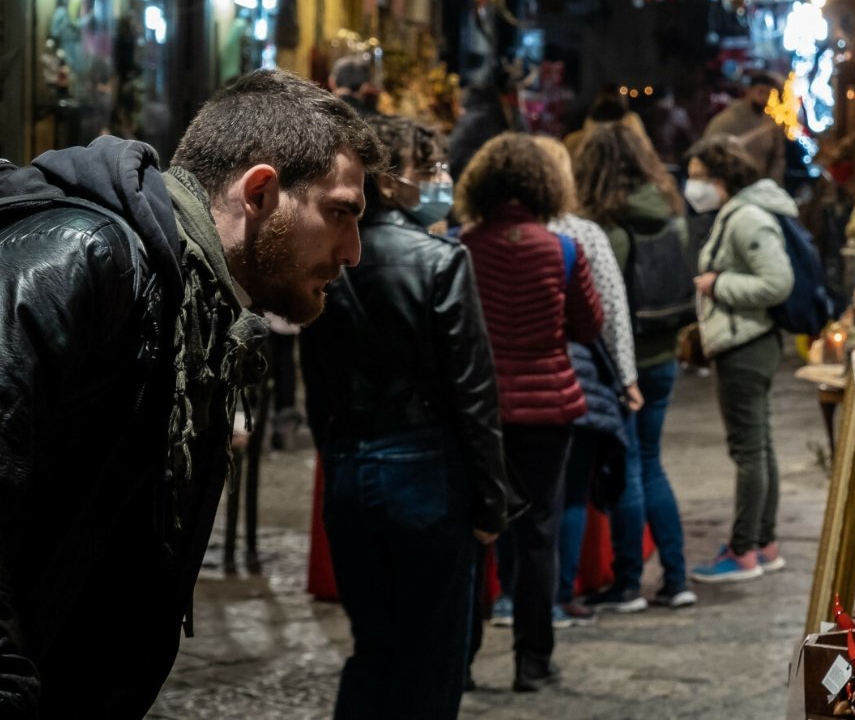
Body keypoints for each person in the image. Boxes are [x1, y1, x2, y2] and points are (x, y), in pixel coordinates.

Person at [0, 68, 382, 717]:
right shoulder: (84, 257)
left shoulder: (200, 307)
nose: (354, 252)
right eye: (341, 212)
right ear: (260, 192)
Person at [299, 115, 506, 718]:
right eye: (427, 168)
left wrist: (334, 453)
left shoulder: (324, 255)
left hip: (349, 466)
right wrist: (491, 502)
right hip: (426, 469)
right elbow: (473, 393)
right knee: (435, 654)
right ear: (390, 181)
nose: (440, 179)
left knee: (374, 646)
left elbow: (316, 380)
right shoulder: (440, 259)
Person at [457, 133, 604, 693]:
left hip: (482, 411)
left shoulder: (463, 247)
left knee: (475, 533)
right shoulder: (563, 249)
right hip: (549, 411)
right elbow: (588, 325)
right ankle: (533, 661)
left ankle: (464, 659)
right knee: (538, 534)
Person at [573, 122, 697, 610]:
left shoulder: (604, 227)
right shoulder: (669, 212)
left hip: (623, 363)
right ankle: (677, 578)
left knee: (626, 467)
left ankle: (627, 584)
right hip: (664, 354)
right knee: (651, 462)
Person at [536, 137, 640, 627]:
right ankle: (558, 595)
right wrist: (626, 378)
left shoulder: (492, 234)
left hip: (511, 381)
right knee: (572, 490)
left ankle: (516, 598)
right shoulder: (582, 234)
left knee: (524, 495)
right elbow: (611, 314)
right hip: (575, 379)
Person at [684, 136, 795, 583]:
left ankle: (744, 550)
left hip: (744, 344)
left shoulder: (747, 218)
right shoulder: (737, 213)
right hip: (748, 342)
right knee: (759, 447)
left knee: (749, 451)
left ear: (721, 179)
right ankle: (763, 543)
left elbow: (777, 282)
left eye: (697, 178)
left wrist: (718, 284)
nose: (692, 188)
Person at [702, 72, 786, 182]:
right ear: (749, 91)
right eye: (760, 91)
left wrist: (772, 184)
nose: (764, 97)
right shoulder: (727, 119)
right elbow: (708, 150)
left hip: (760, 186)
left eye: (768, 93)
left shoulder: (771, 125)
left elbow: (777, 159)